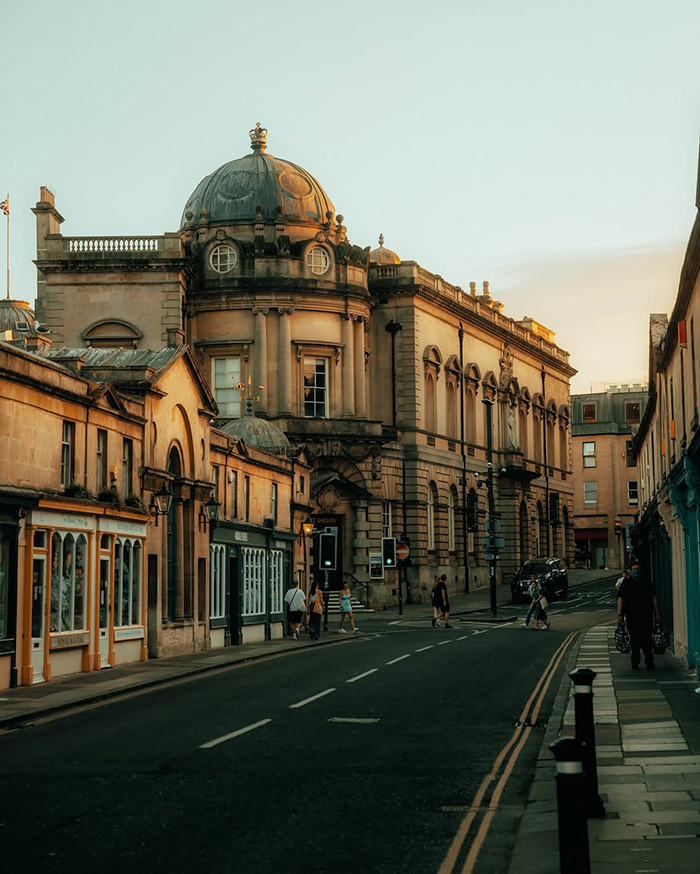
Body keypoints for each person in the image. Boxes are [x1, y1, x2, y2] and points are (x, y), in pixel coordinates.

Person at [618, 563, 660, 670]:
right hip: (632, 616)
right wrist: (619, 614)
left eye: (637, 569)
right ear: (631, 571)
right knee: (634, 640)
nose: (636, 571)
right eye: (634, 569)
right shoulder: (626, 583)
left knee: (647, 640)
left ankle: (649, 661)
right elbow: (620, 599)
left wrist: (657, 613)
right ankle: (635, 661)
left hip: (646, 615)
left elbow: (653, 597)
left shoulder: (646, 582)